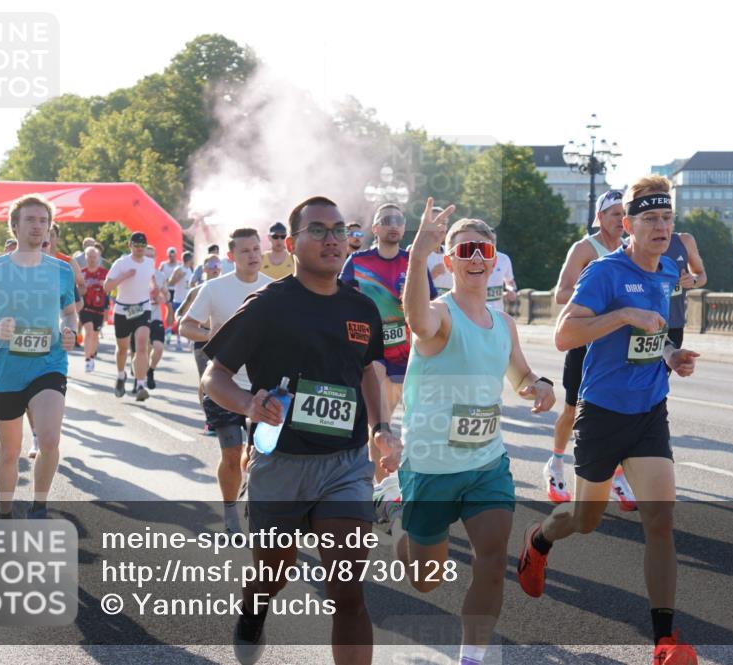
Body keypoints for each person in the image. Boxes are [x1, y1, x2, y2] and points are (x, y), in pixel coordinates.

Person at [201, 196, 399, 665]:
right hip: (281, 463)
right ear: (291, 244)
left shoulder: (363, 308)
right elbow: (214, 377)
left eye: (337, 230)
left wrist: (381, 427)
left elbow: (370, 372)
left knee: (347, 589)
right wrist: (250, 403)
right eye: (317, 230)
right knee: (274, 574)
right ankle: (254, 608)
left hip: (345, 466)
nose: (331, 239)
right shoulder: (268, 305)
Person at [516, 176, 701, 664]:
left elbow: (651, 338)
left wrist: (672, 354)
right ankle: (539, 539)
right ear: (628, 225)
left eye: (667, 219)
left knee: (660, 518)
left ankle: (665, 639)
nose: (662, 228)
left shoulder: (665, 273)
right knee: (585, 519)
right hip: (601, 413)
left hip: (648, 411)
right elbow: (563, 335)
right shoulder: (606, 272)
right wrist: (623, 316)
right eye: (651, 219)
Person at [379, 202, 555, 665]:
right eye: (466, 250)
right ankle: (401, 521)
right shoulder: (440, 314)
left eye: (485, 250)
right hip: (433, 465)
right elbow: (416, 322)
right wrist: (418, 256)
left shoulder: (504, 324)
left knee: (492, 559)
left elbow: (520, 376)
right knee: (426, 578)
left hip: (485, 463)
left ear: (494, 260)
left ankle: (471, 658)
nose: (477, 257)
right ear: (451, 260)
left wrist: (539, 387)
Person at [0, 194, 77, 518]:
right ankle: (5, 513)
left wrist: (70, 331)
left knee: (49, 439)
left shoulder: (61, 271)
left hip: (48, 364)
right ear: (14, 226)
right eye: (30, 220)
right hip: (5, 371)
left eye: (43, 221)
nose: (38, 226)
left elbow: (69, 312)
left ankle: (39, 506)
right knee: (9, 451)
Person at [181, 228, 272, 532]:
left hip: (262, 387)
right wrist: (216, 337)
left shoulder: (273, 290)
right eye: (245, 251)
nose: (253, 256)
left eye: (257, 249)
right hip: (223, 385)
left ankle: (252, 499)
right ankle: (230, 511)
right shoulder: (214, 288)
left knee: (261, 457)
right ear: (232, 256)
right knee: (232, 453)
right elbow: (185, 326)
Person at [340, 203, 437, 484]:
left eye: (399, 220)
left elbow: (431, 304)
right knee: (380, 425)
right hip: (375, 356)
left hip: (412, 355)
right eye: (387, 220)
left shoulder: (414, 261)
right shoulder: (358, 262)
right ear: (376, 228)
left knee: (419, 427)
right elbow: (344, 303)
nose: (394, 224)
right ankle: (381, 489)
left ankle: (412, 485)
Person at [546, 189, 630, 506]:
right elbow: (560, 293)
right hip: (584, 338)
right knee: (571, 409)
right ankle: (555, 463)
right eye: (614, 214)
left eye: (625, 214)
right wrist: (596, 299)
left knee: (617, 408)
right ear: (599, 217)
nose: (621, 220)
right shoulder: (585, 248)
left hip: (615, 343)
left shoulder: (627, 250)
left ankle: (616, 474)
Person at [104, 231, 157, 401]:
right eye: (136, 245)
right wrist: (124, 276)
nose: (139, 249)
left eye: (142, 246)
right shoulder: (121, 263)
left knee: (142, 344)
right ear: (130, 246)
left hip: (143, 308)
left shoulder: (150, 262)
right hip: (123, 310)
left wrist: (156, 289)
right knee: (122, 350)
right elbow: (107, 286)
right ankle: (121, 376)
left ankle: (140, 384)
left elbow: (151, 280)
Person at [177, 255, 223, 435]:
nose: (215, 268)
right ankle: (209, 419)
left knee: (222, 378)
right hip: (202, 339)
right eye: (211, 265)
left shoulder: (226, 287)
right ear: (204, 269)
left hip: (222, 340)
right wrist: (197, 326)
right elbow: (180, 313)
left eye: (217, 265)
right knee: (205, 379)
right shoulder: (196, 291)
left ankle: (222, 414)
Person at [132, 245, 170, 391]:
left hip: (155, 316)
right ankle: (138, 380)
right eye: (146, 255)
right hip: (138, 316)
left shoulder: (160, 275)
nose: (149, 258)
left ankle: (150, 370)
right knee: (140, 351)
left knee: (158, 348)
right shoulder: (134, 273)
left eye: (151, 256)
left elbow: (167, 296)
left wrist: (163, 297)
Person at [663, 231, 706, 351]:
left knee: (666, 369)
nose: (663, 223)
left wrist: (693, 280)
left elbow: (701, 275)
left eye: (667, 217)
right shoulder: (632, 243)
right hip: (644, 326)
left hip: (674, 326)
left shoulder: (684, 241)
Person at [79, 246, 108, 373]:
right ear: (85, 257)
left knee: (95, 335)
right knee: (89, 331)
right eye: (89, 256)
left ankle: (91, 356)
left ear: (98, 258)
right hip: (85, 306)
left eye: (94, 256)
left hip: (99, 307)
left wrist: (104, 285)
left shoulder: (104, 273)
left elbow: (109, 290)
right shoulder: (82, 272)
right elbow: (77, 290)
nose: (91, 259)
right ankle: (86, 360)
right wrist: (82, 289)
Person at [159, 246, 187, 350]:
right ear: (167, 255)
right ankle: (169, 332)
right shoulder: (163, 265)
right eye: (170, 254)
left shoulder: (179, 264)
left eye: (173, 254)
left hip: (177, 291)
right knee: (169, 310)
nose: (172, 256)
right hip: (167, 290)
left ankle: (172, 332)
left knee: (177, 312)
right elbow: (158, 275)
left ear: (176, 255)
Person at [484, 243, 517, 312]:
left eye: (493, 240)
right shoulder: (471, 259)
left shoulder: (503, 259)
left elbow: (509, 281)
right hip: (473, 314)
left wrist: (511, 290)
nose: (491, 242)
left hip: (497, 312)